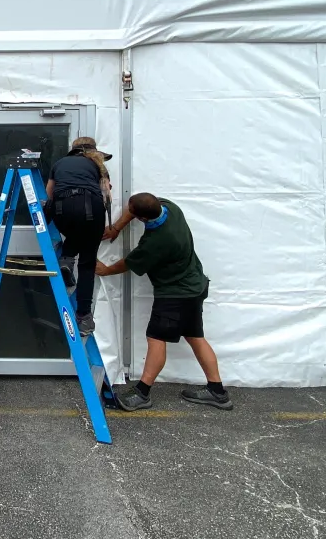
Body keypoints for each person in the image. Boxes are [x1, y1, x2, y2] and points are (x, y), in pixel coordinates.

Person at [96, 192, 232, 411]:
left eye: (131, 211)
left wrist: (106, 270)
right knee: (196, 337)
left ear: (142, 219)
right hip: (194, 287)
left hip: (175, 295)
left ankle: (142, 393)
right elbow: (140, 207)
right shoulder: (171, 208)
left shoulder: (157, 241)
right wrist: (117, 227)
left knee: (156, 338)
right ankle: (217, 392)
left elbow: (129, 263)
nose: (128, 213)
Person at [45, 137, 112, 337]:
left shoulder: (59, 163)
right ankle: (83, 316)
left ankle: (66, 258)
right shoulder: (97, 165)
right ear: (93, 151)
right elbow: (106, 194)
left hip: (62, 209)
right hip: (91, 208)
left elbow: (50, 194)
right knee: (87, 264)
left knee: (74, 230)